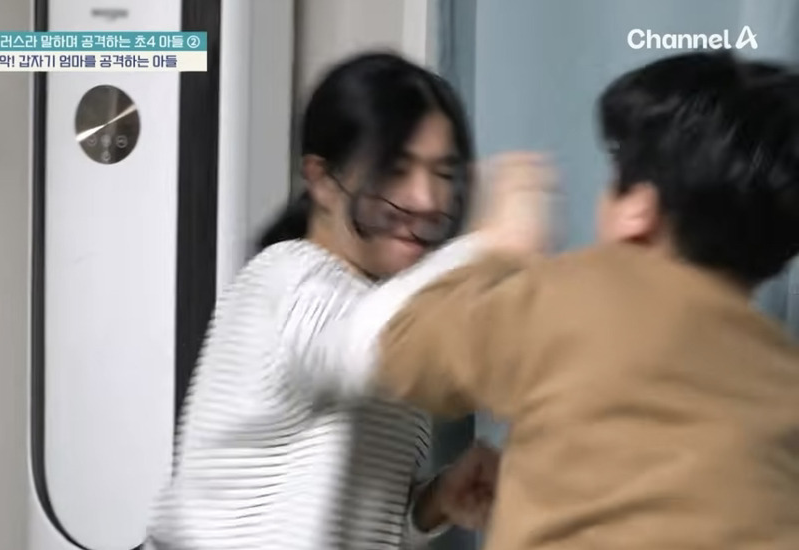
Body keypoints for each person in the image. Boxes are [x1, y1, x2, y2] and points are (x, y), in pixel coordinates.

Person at [318, 52, 799, 549]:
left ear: (638, 210)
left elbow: (396, 344)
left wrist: (501, 245)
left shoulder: (579, 296)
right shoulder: (786, 379)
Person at [146, 52, 501, 550]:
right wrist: (496, 243)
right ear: (321, 180)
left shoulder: (377, 311)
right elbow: (360, 344)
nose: (425, 199)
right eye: (395, 168)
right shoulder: (291, 279)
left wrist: (434, 502)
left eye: (443, 173)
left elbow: (342, 526)